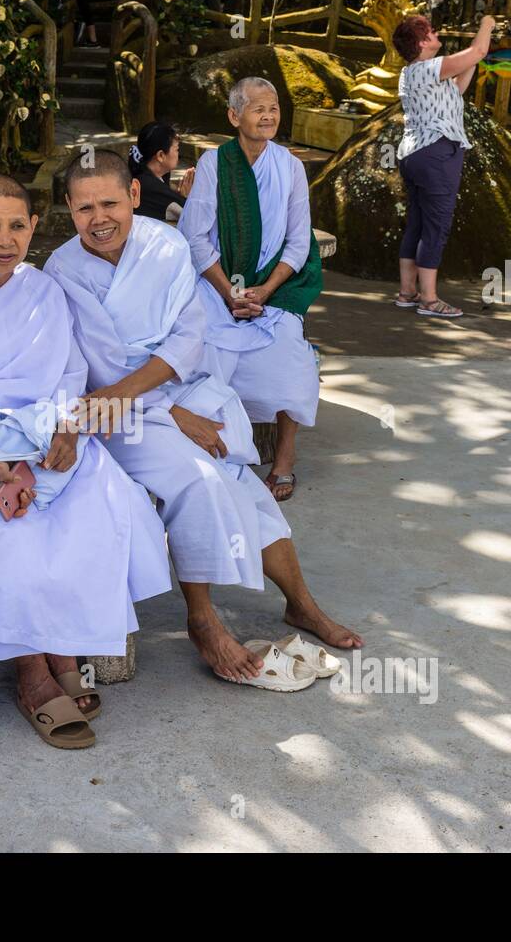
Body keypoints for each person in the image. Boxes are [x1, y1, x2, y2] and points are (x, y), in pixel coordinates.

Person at [44, 150, 362, 688]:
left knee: (243, 483)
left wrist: (180, 405)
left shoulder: (166, 247)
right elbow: (91, 363)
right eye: (84, 209)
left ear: (136, 197)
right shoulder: (61, 269)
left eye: (110, 203)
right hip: (120, 414)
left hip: (184, 389)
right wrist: (167, 410)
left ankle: (300, 604)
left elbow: (189, 337)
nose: (99, 219)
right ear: (69, 212)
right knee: (203, 481)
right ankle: (202, 618)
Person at [0, 173, 171, 748]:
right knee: (16, 535)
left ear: (34, 229)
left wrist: (66, 429)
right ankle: (32, 671)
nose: (4, 239)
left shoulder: (45, 291)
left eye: (16, 226)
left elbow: (70, 372)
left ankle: (65, 646)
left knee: (97, 514)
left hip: (48, 436)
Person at [178, 76, 323, 502]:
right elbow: (196, 238)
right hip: (219, 283)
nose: (268, 115)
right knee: (200, 348)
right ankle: (216, 448)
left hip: (273, 288)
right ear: (234, 116)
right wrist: (230, 292)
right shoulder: (213, 164)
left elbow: (299, 242)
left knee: (291, 355)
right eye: (258, 108)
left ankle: (284, 457)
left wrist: (264, 289)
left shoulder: (291, 167)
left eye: (274, 108)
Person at [390, 13, 495, 318]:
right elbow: (479, 52)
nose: (437, 34)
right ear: (422, 42)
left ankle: (408, 292)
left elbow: (459, 86)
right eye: (431, 32)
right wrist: (486, 24)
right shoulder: (426, 69)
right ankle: (430, 300)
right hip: (436, 154)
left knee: (418, 224)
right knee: (436, 227)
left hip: (415, 155)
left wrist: (471, 53)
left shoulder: (417, 73)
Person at [128, 121, 194, 223]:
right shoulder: (150, 187)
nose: (178, 154)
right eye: (177, 149)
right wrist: (187, 197)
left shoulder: (148, 176)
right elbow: (194, 217)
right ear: (161, 156)